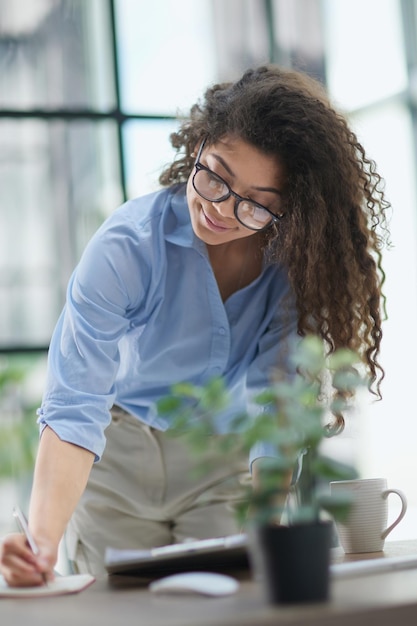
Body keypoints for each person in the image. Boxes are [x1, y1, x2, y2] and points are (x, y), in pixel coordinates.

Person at [0, 64, 389, 586]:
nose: (221, 209)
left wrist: (268, 529)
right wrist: (42, 546)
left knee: (230, 606)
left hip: (222, 461)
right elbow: (74, 405)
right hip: (118, 458)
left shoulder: (293, 274)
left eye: (254, 204)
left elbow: (273, 414)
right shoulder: (128, 247)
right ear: (200, 144)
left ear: (288, 209)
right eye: (215, 176)